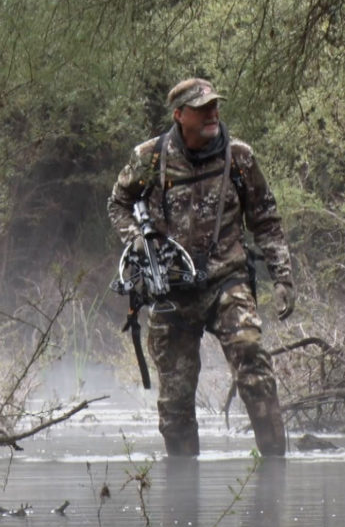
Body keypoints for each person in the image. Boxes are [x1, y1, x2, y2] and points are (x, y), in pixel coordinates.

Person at [107, 77, 295, 457]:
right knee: (175, 404)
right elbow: (118, 203)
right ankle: (182, 499)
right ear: (179, 115)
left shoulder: (239, 157)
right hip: (171, 291)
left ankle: (276, 475)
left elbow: (266, 220)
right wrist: (139, 241)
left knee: (254, 364)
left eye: (215, 106)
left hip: (228, 280)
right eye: (202, 108)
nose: (213, 114)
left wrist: (282, 278)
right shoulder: (150, 157)